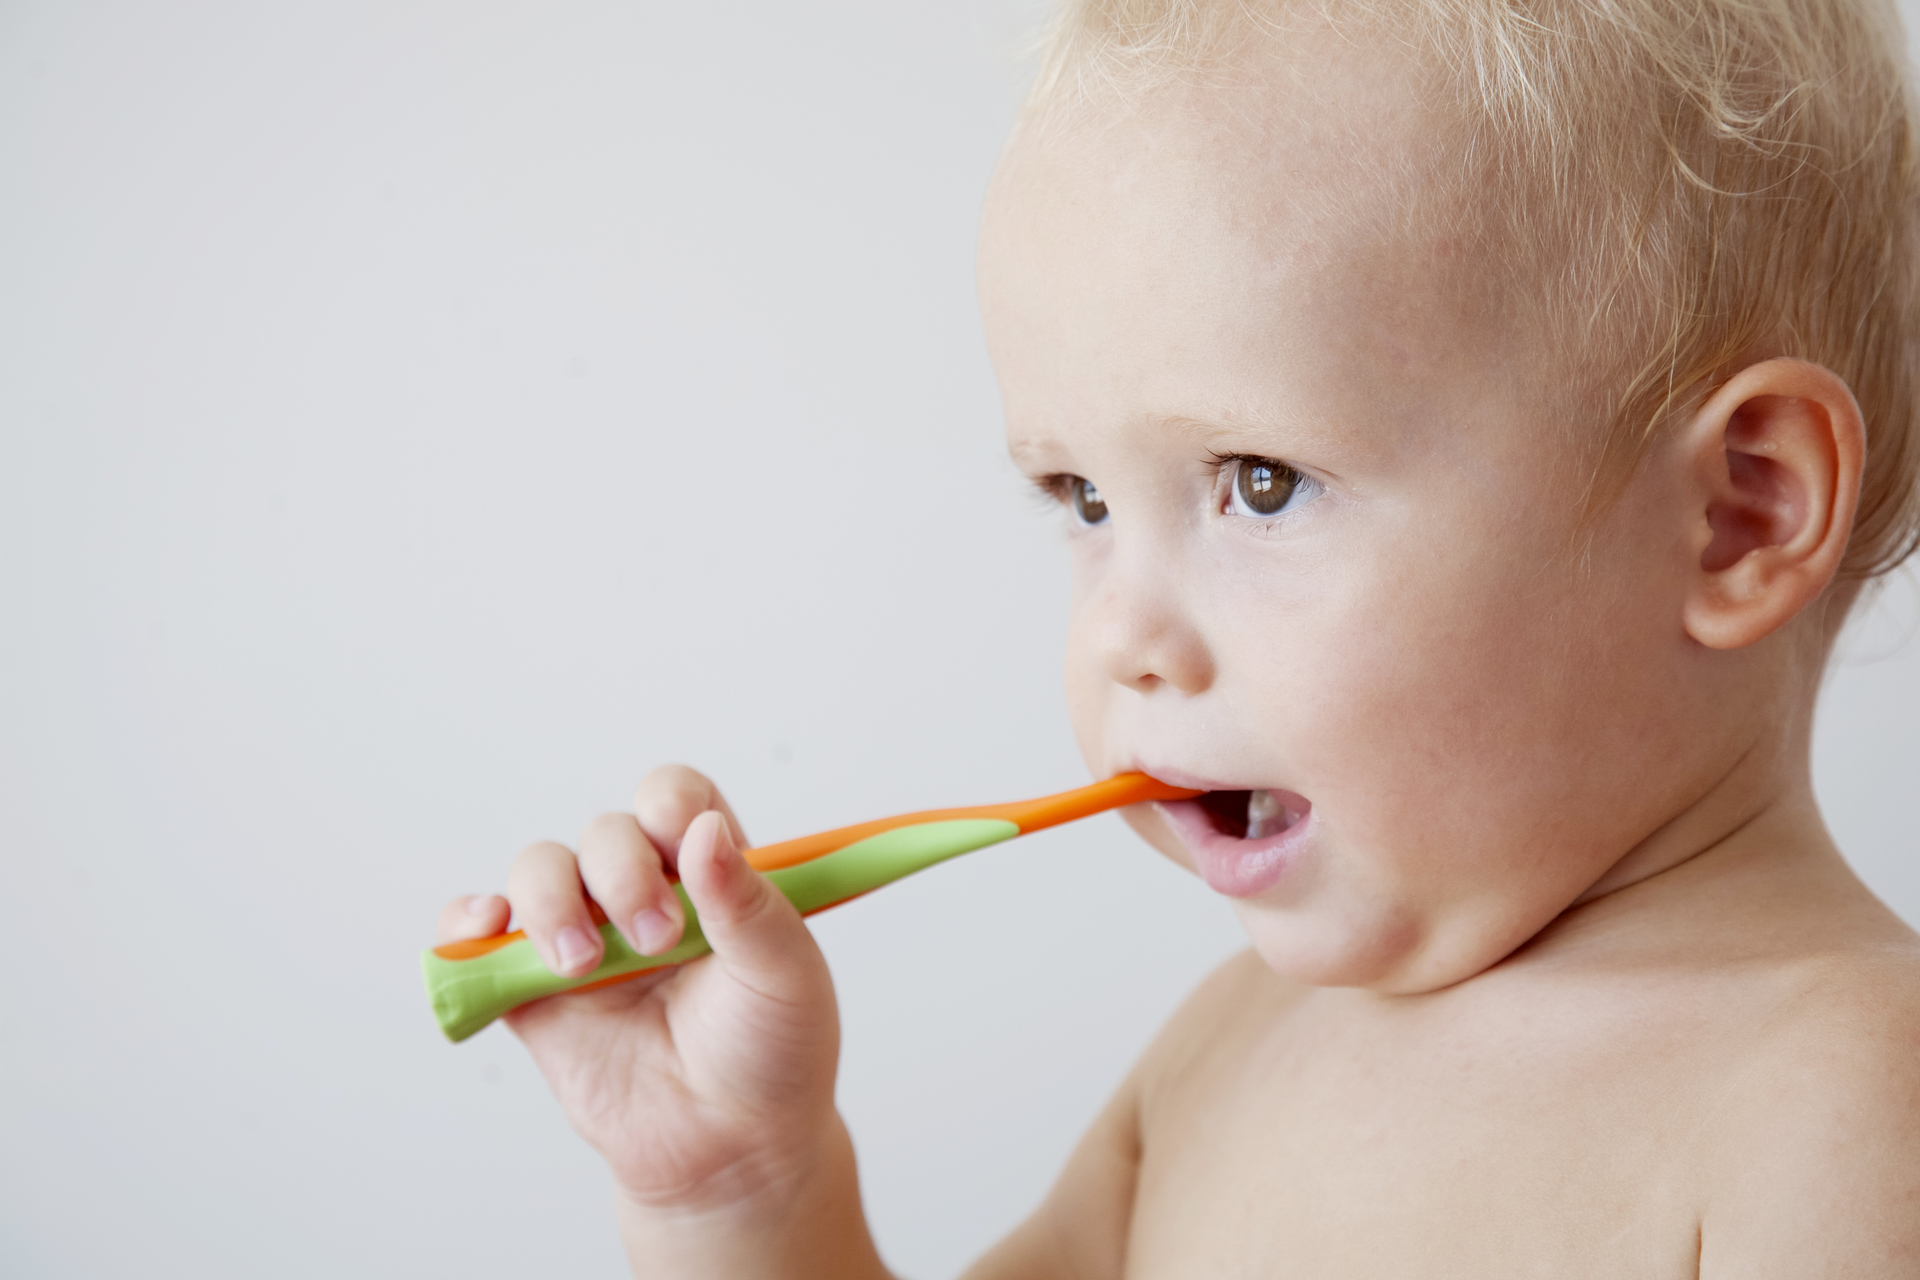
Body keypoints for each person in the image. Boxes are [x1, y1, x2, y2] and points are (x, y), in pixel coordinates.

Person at [433, 0, 1920, 1272]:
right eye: (1080, 498)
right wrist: (741, 1196)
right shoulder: (1229, 1052)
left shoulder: (1852, 1109)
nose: (1122, 634)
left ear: (1738, 513)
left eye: (1259, 484)